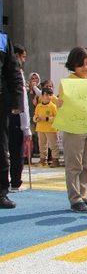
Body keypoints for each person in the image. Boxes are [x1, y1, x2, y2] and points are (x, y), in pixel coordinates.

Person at [57, 47, 87, 213]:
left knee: (86, 164)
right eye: (81, 64)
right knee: (74, 165)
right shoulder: (68, 82)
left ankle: (84, 195)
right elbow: (62, 104)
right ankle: (75, 199)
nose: (85, 67)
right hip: (73, 127)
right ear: (73, 64)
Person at [0, 31, 24, 208]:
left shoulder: (3, 39)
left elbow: (13, 71)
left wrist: (16, 101)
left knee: (1, 149)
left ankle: (1, 193)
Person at [7, 45, 33, 191]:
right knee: (16, 151)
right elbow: (23, 102)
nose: (23, 60)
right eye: (22, 57)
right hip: (15, 116)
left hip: (7, 114)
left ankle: (9, 182)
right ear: (16, 55)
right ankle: (15, 182)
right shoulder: (17, 73)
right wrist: (26, 127)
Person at [33, 88, 60, 168]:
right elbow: (35, 115)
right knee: (42, 145)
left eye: (50, 95)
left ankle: (55, 160)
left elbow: (57, 118)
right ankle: (42, 160)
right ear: (42, 95)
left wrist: (47, 119)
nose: (48, 97)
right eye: (46, 94)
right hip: (40, 128)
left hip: (51, 129)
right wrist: (36, 119)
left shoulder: (53, 106)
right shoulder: (39, 106)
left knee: (53, 145)